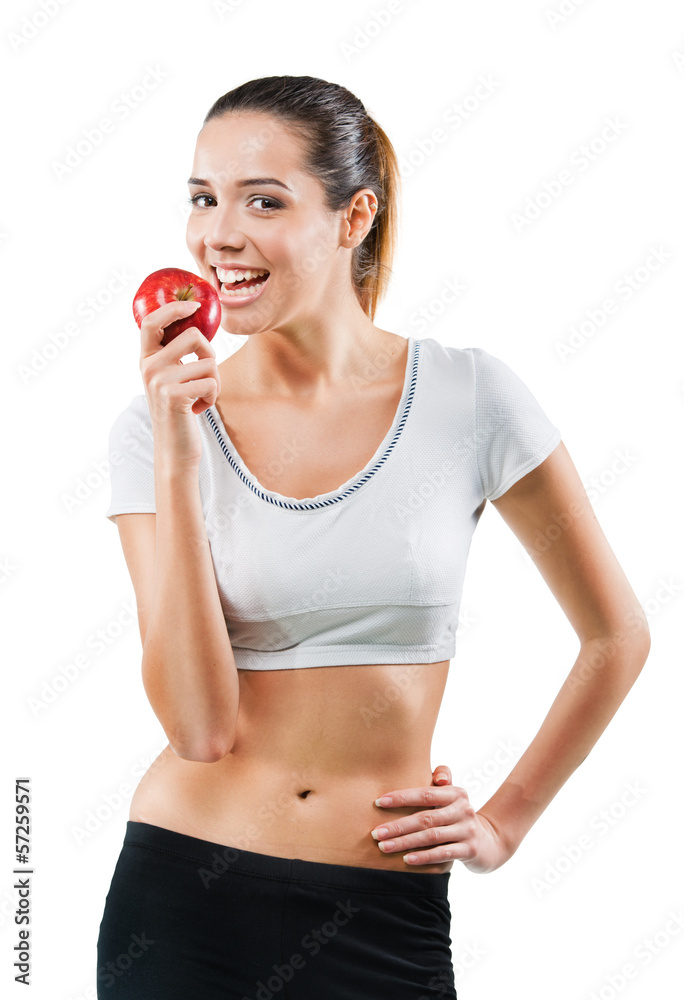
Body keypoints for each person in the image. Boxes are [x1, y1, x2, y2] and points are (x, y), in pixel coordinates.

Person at [95, 75, 650, 999]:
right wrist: (178, 454)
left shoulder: (474, 399)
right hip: (183, 902)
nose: (217, 235)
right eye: (203, 199)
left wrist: (505, 823)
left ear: (354, 216)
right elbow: (198, 727)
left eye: (262, 201)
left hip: (383, 917)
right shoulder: (155, 429)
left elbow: (616, 635)